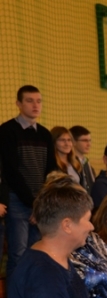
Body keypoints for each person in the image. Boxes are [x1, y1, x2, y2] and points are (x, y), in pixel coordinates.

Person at [0, 85, 57, 279]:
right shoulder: (7, 131)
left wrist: (40, 204)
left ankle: (34, 295)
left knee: (37, 254)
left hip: (38, 203)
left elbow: (51, 171)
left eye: (39, 101)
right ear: (18, 103)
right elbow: (11, 172)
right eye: (29, 101)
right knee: (18, 254)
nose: (35, 105)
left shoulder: (45, 134)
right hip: (17, 201)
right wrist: (32, 203)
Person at [70, 125, 96, 192]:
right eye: (85, 140)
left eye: (90, 140)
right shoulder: (70, 165)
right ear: (74, 142)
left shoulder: (87, 164)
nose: (89, 144)